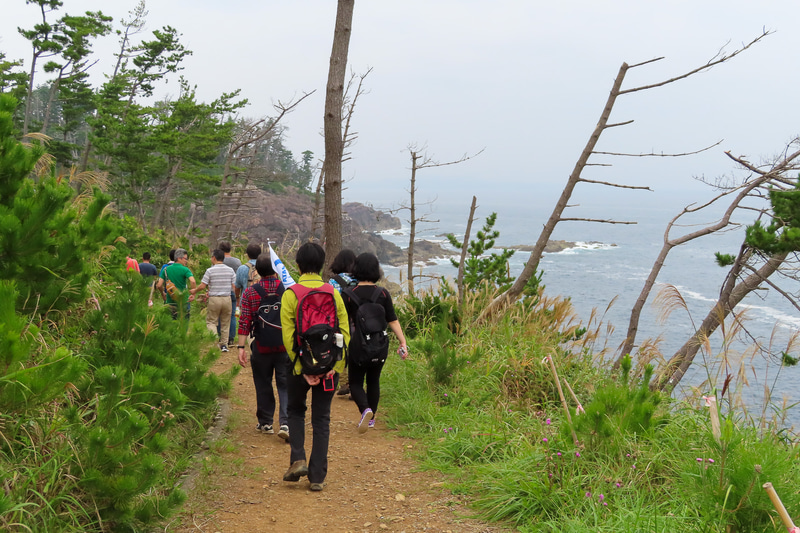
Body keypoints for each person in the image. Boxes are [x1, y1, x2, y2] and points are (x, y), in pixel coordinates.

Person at [280, 242, 350, 492]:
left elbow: (289, 338)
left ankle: (298, 458)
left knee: (296, 411)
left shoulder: (291, 294)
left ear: (298, 265)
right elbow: (344, 332)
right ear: (321, 266)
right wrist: (334, 366)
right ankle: (318, 477)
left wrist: (302, 368)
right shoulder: (333, 293)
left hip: (299, 366)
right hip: (329, 366)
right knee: (321, 419)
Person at [341, 252, 408, 433]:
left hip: (357, 345)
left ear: (356, 269)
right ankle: (372, 419)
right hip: (379, 345)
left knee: (355, 382)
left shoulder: (347, 294)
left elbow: (340, 321)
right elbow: (392, 320)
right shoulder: (383, 293)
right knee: (373, 381)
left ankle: (366, 410)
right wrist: (403, 342)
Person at [236, 253, 290, 440]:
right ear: (275, 270)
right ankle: (286, 422)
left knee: (263, 382)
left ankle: (266, 422)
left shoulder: (251, 292)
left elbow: (244, 321)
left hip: (261, 345)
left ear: (257, 270)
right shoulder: (287, 290)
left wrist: (241, 348)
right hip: (285, 345)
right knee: (285, 384)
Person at [191, 249, 236, 351]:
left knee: (211, 322)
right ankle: (224, 345)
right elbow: (234, 285)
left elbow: (203, 285)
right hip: (227, 298)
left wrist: (195, 290)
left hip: (214, 299)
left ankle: (215, 342)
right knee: (225, 322)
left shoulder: (210, 270)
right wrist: (236, 297)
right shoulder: (230, 270)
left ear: (214, 258)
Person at [327, 249, 358, 396]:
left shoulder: (333, 282)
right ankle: (356, 385)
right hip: (357, 322)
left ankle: (345, 383)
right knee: (356, 352)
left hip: (339, 322)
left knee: (341, 350)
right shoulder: (358, 280)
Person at [156, 248, 196, 320]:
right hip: (183, 301)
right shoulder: (185, 269)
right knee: (183, 323)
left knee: (171, 323)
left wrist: (162, 293)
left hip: (170, 302)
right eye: (185, 259)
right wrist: (193, 294)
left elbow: (159, 285)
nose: (186, 261)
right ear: (179, 258)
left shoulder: (166, 269)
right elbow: (193, 281)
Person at [219, 241, 242, 347]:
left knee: (220, 315)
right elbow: (239, 278)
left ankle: (221, 337)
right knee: (232, 315)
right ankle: (231, 338)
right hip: (233, 291)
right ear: (230, 249)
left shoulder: (218, 261)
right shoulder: (237, 262)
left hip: (220, 291)